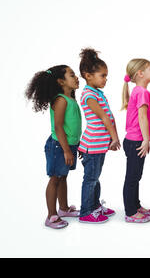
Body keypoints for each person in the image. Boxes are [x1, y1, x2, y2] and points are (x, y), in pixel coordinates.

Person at [25, 65, 82, 229]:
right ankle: (51, 216)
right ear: (61, 81)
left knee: (63, 176)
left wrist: (75, 147)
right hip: (58, 146)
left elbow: (72, 126)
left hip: (69, 145)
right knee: (55, 178)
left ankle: (63, 209)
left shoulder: (70, 99)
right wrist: (65, 150)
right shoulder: (60, 100)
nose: (76, 77)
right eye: (72, 75)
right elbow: (58, 127)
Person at [78, 48, 120, 224]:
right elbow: (103, 117)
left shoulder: (98, 93)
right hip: (92, 144)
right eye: (102, 75)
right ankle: (86, 211)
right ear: (88, 75)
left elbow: (110, 116)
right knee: (91, 179)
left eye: (106, 76)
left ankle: (94, 206)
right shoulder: (89, 95)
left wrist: (113, 136)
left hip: (100, 145)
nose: (105, 79)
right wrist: (115, 138)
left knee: (95, 177)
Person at [121, 58, 150, 223]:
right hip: (136, 141)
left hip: (133, 140)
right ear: (140, 74)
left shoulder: (137, 91)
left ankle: (135, 205)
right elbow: (142, 117)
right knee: (132, 178)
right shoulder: (142, 92)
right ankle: (130, 212)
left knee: (135, 176)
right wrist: (146, 140)